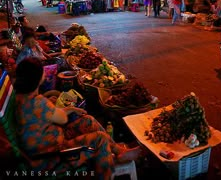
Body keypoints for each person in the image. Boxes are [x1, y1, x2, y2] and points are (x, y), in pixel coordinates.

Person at [13, 57, 142, 179]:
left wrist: (71, 109)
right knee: (99, 139)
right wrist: (63, 109)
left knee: (88, 120)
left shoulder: (21, 97)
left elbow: (52, 114)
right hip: (51, 157)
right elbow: (62, 119)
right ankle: (107, 171)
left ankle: (119, 152)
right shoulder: (38, 102)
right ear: (38, 78)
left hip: (49, 142)